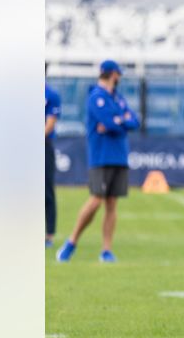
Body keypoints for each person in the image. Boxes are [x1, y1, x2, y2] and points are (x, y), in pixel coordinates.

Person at [56, 60, 138, 263]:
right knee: (96, 200)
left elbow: (134, 121)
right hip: (101, 156)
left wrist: (120, 121)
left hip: (119, 156)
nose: (120, 77)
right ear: (112, 74)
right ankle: (72, 241)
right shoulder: (96, 98)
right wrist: (120, 121)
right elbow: (110, 123)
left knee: (112, 204)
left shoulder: (117, 98)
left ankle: (106, 250)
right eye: (118, 74)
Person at [45, 81, 61, 248]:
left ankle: (49, 235)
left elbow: (50, 123)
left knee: (46, 190)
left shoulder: (51, 95)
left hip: (44, 146)